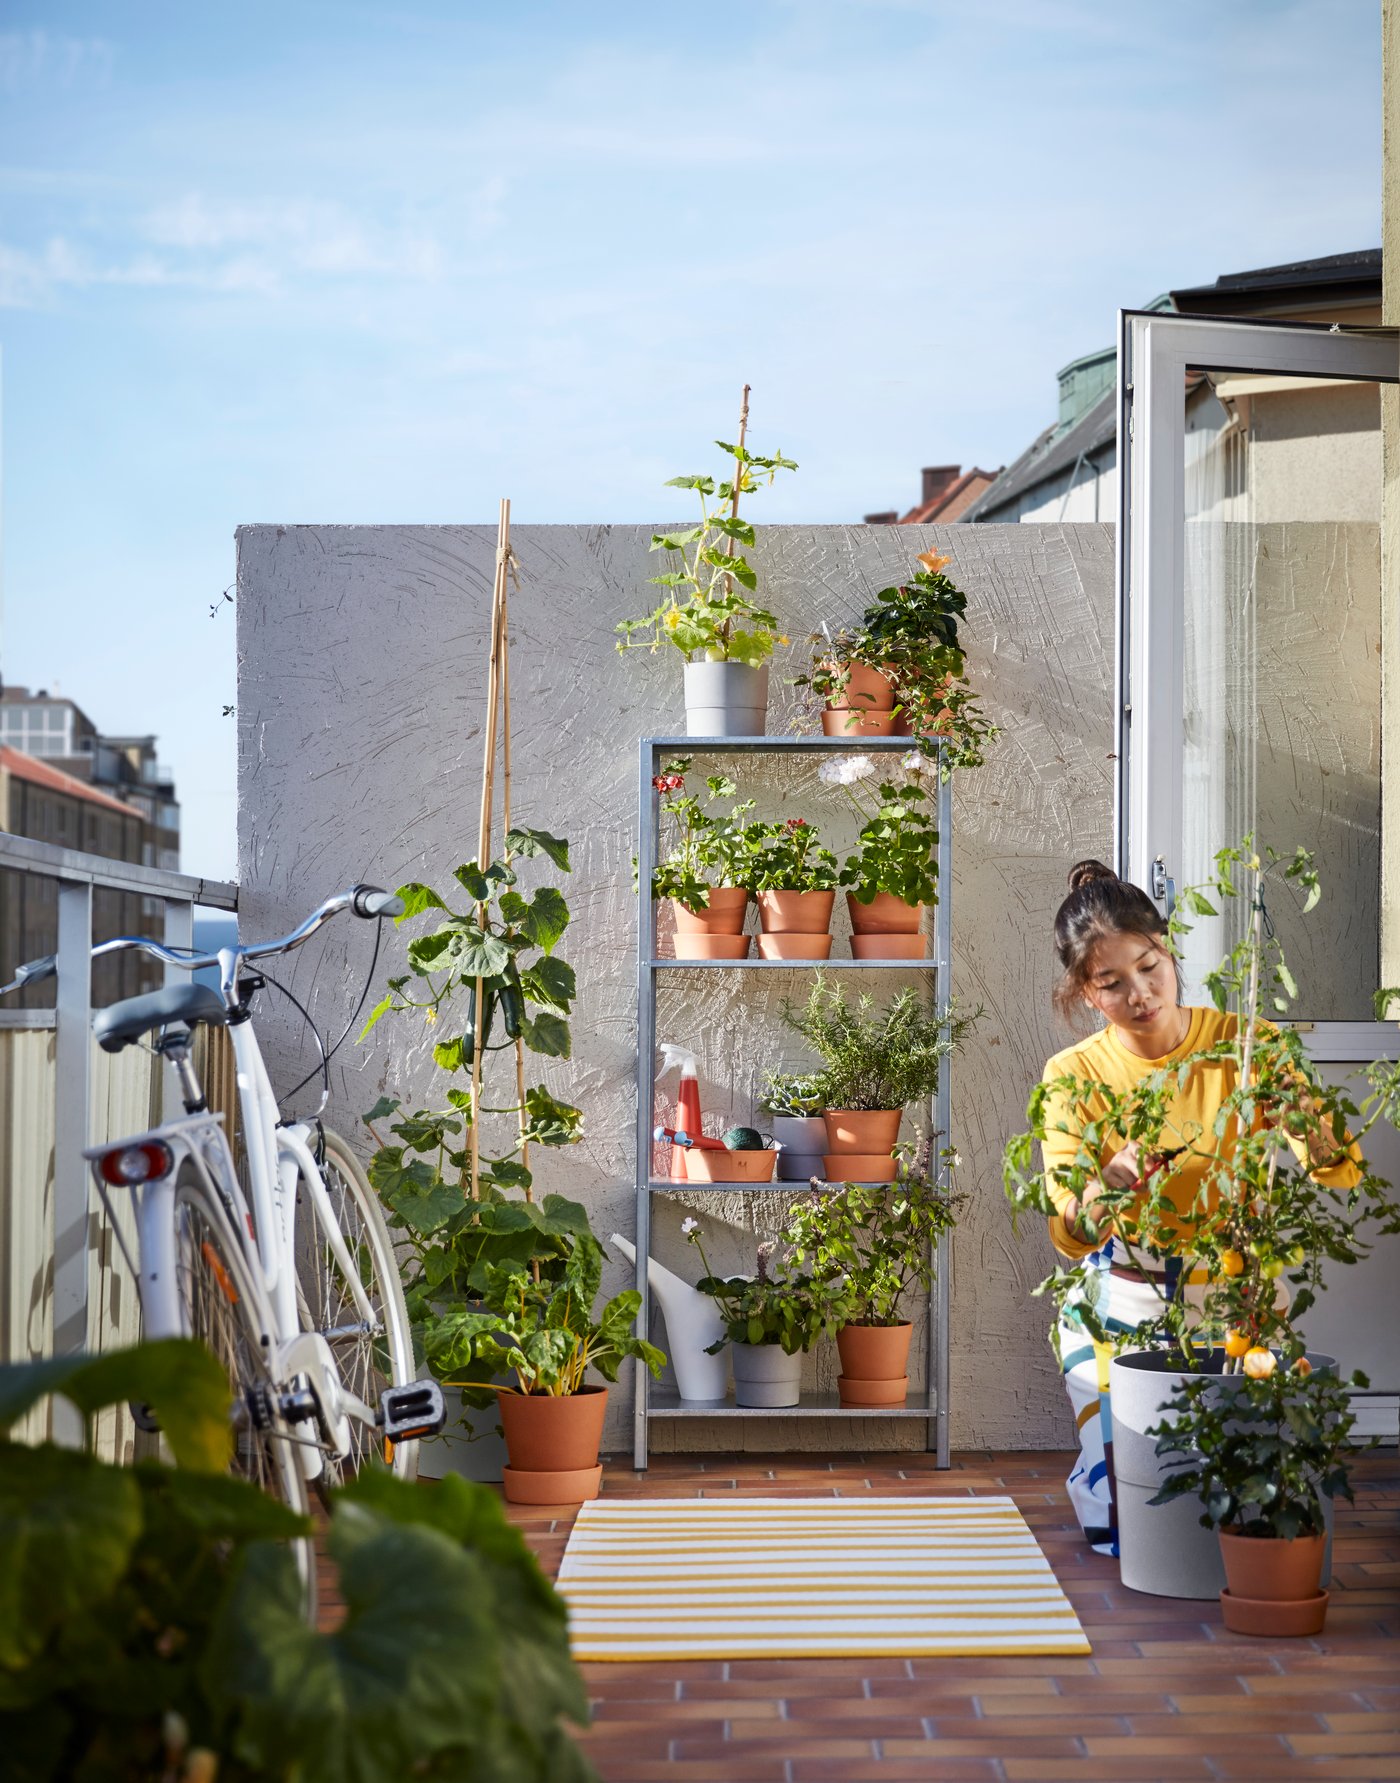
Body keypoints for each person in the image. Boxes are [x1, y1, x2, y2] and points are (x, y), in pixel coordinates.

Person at [1037, 859, 1359, 1556]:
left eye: (1150, 967)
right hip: (1126, 1301)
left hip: (1239, 1303)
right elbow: (1068, 1225)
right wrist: (1109, 1184)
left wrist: (1307, 1115)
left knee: (1249, 1513)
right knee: (1129, 1528)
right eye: (1112, 982)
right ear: (1087, 994)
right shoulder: (1074, 1075)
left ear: (1169, 950)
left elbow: (1334, 1169)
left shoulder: (1249, 1046)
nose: (1141, 993)